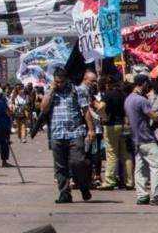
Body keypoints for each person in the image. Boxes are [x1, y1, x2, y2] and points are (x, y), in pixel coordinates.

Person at [41, 68, 94, 204]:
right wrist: (51, 91)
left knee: (78, 162)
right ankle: (64, 193)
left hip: (75, 132)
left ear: (67, 80)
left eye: (61, 82)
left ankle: (83, 185)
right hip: (57, 133)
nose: (59, 84)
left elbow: (85, 110)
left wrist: (91, 129)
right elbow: (44, 108)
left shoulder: (76, 90)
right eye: (57, 81)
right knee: (60, 166)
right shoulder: (50, 91)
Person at [125, 74, 158, 206]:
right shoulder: (142, 100)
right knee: (156, 166)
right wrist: (157, 115)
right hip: (146, 138)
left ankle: (142, 196)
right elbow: (153, 117)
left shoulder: (128, 99)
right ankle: (156, 196)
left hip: (136, 139)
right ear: (144, 83)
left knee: (139, 169)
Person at [97, 78, 131, 190]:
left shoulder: (108, 95)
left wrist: (105, 118)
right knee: (126, 155)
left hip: (112, 125)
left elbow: (100, 107)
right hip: (124, 125)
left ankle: (109, 181)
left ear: (108, 85)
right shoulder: (125, 95)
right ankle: (129, 181)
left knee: (111, 154)